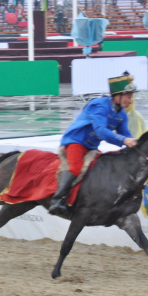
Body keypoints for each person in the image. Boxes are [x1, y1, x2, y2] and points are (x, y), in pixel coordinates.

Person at [48, 72, 138, 217]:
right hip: (75, 141)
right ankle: (57, 201)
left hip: (91, 147)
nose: (131, 101)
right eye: (128, 97)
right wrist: (124, 140)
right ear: (117, 96)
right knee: (76, 168)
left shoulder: (121, 115)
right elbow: (101, 131)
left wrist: (136, 144)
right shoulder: (99, 105)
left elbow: (126, 135)